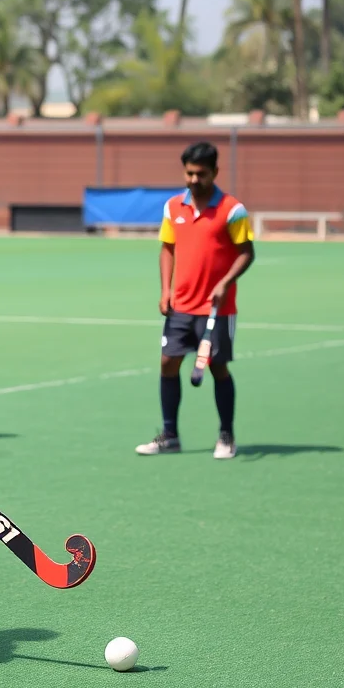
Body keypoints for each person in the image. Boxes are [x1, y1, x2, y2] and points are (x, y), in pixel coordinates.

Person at [135, 141, 255, 460]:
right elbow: (167, 249)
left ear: (215, 172)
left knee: (218, 368)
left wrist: (226, 282)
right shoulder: (173, 207)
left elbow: (246, 253)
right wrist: (165, 290)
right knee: (167, 363)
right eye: (189, 173)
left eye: (200, 174)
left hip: (217, 308)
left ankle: (226, 434)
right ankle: (170, 434)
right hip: (181, 306)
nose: (193, 179)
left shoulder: (232, 209)